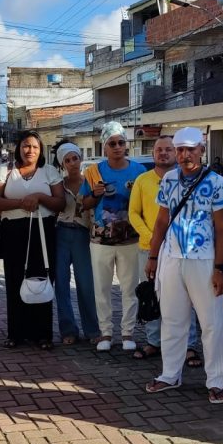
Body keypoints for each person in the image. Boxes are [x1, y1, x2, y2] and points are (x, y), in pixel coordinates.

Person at [143, 128, 223, 403]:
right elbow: (160, 221)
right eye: (180, 150)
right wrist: (154, 257)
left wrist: (220, 267)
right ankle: (170, 374)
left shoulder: (216, 182)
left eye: (190, 149)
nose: (184, 155)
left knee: (211, 322)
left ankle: (217, 381)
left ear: (202, 151)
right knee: (171, 318)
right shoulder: (169, 179)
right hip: (171, 257)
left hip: (203, 259)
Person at [0, 131, 65, 348]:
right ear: (18, 148)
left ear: (41, 150)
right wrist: (21, 203)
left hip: (43, 229)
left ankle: (43, 335)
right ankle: (16, 334)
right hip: (13, 231)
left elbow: (60, 203)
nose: (30, 150)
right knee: (14, 279)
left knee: (42, 278)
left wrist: (39, 197)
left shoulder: (49, 171)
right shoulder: (6, 170)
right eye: (26, 146)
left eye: (35, 147)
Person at [129, 135, 201, 363]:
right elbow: (133, 213)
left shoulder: (191, 180)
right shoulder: (142, 180)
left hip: (182, 250)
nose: (163, 153)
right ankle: (154, 342)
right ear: (153, 154)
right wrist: (152, 239)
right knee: (151, 295)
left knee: (185, 298)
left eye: (168, 149)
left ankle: (188, 346)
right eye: (159, 150)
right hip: (149, 249)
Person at [80, 122, 146, 353]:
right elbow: (83, 203)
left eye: (121, 142)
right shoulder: (93, 172)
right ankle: (105, 332)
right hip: (100, 240)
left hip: (130, 239)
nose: (117, 147)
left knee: (130, 288)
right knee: (102, 288)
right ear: (104, 147)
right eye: (112, 143)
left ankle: (128, 332)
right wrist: (95, 196)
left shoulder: (139, 172)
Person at [52, 141, 98, 346]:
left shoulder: (90, 182)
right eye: (67, 160)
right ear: (62, 164)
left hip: (82, 234)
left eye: (75, 158)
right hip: (60, 234)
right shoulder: (57, 186)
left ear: (80, 159)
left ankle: (92, 329)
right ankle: (68, 329)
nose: (72, 163)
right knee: (61, 284)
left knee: (86, 284)